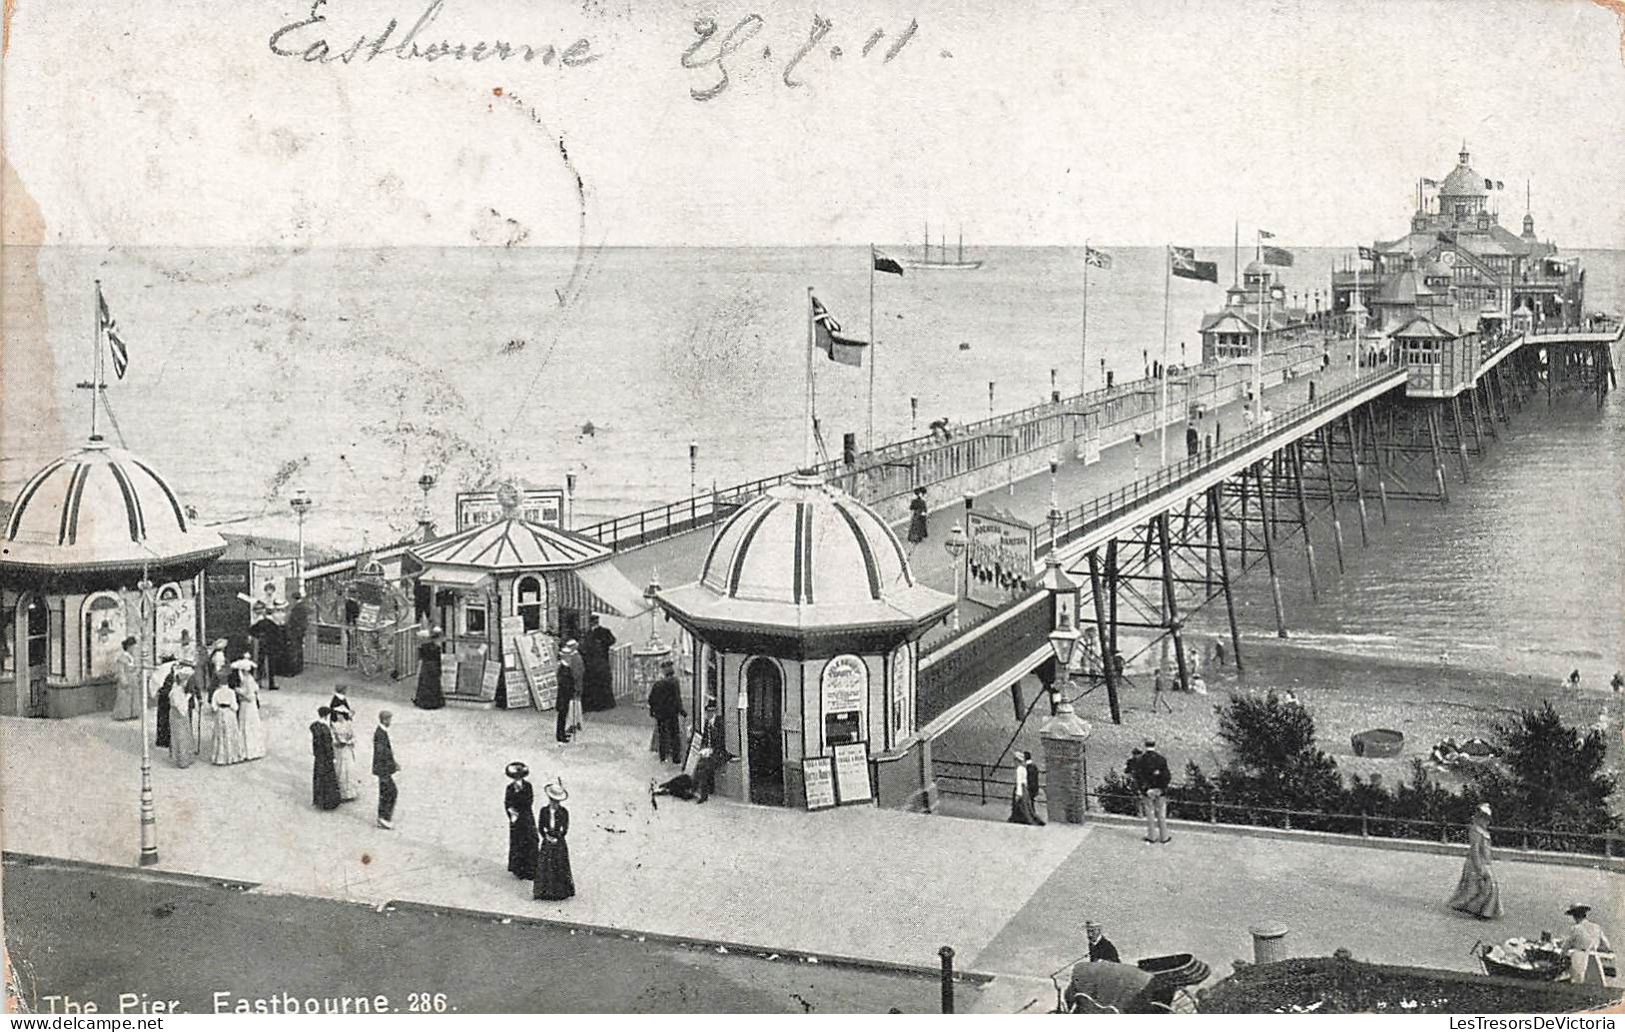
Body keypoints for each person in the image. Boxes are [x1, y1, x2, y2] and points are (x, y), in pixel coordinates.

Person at [1447, 803, 1502, 919]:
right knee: (1479, 887)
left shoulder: (1483, 831)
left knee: (1485, 887)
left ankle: (1483, 910)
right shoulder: (1475, 830)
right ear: (1479, 818)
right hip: (1475, 862)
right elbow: (1475, 849)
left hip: (1485, 862)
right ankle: (1482, 911)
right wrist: (1479, 867)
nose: (1487, 822)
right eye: (1484, 819)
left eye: (1488, 819)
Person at [533, 779, 575, 901]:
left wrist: (557, 838)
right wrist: (546, 836)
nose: (554, 803)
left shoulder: (564, 812)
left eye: (556, 801)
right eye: (552, 800)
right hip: (547, 841)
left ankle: (560, 892)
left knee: (559, 865)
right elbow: (540, 826)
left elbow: (565, 828)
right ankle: (544, 892)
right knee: (545, 866)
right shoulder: (544, 811)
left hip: (559, 842)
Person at [1558, 903, 1612, 983]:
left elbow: (1566, 945)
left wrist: (1561, 956)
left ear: (1575, 916)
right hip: (1594, 956)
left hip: (1580, 957)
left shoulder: (1576, 928)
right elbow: (1607, 945)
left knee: (1576, 980)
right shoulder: (1596, 927)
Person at [647, 660, 686, 764]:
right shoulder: (675, 682)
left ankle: (663, 757)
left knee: (662, 735)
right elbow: (677, 699)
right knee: (674, 735)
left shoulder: (657, 684)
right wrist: (681, 711)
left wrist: (653, 711)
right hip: (672, 714)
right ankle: (676, 758)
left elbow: (651, 699)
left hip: (661, 715)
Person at [505, 762, 538, 880]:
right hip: (516, 819)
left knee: (530, 840)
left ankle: (531, 869)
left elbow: (529, 801)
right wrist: (511, 812)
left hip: (526, 816)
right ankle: (519, 869)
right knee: (517, 842)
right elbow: (507, 802)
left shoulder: (527, 786)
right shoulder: (510, 788)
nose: (517, 779)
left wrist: (518, 797)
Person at [1137, 739, 1171, 844]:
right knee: (1161, 814)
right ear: (1155, 745)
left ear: (1145, 745)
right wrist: (1161, 788)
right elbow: (1166, 776)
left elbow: (1139, 776)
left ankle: (1152, 836)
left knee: (1150, 813)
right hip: (1160, 790)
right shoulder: (1161, 759)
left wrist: (1146, 789)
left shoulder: (1141, 760)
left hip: (1147, 791)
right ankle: (1164, 837)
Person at [581, 615, 617, 712]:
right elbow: (612, 640)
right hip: (599, 662)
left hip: (595, 662)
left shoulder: (591, 633)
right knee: (601, 683)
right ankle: (602, 704)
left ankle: (595, 705)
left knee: (595, 683)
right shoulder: (601, 632)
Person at [232, 664, 267, 762]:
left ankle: (248, 750)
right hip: (248, 706)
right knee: (247, 725)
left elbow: (250, 696)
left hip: (247, 706)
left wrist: (238, 691)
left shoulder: (249, 680)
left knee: (248, 725)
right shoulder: (248, 679)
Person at [310, 706, 341, 811]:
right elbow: (328, 746)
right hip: (326, 757)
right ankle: (328, 802)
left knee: (319, 777)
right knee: (328, 778)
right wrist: (332, 757)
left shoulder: (315, 726)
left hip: (318, 756)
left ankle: (318, 800)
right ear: (327, 716)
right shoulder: (325, 729)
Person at [167, 664, 197, 767]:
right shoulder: (175, 692)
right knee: (180, 737)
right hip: (178, 715)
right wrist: (187, 698)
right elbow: (179, 705)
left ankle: (188, 757)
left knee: (186, 735)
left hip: (181, 715)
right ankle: (182, 760)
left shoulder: (179, 690)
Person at [373, 710, 400, 829]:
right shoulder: (380, 734)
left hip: (383, 769)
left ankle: (383, 817)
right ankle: (384, 817)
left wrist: (394, 763)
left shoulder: (381, 732)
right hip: (383, 769)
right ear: (385, 720)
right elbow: (382, 754)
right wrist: (391, 766)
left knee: (387, 792)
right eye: (389, 719)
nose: (390, 722)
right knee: (391, 792)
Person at [694, 698, 723, 802]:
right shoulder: (707, 723)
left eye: (712, 711)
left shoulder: (719, 723)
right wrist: (703, 749)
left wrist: (711, 750)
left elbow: (720, 741)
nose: (709, 714)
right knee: (699, 764)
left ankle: (703, 795)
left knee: (704, 767)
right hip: (710, 752)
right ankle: (698, 790)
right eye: (708, 712)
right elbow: (705, 739)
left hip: (719, 753)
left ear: (715, 712)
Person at [210, 679, 244, 765]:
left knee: (220, 734)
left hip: (220, 713)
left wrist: (218, 709)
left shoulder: (216, 692)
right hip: (229, 713)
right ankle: (232, 756)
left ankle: (220, 757)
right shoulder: (231, 692)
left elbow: (213, 706)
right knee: (230, 733)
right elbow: (235, 706)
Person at [248, 602, 281, 691]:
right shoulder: (273, 623)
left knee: (260, 663)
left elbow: (251, 631)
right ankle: (271, 683)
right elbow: (278, 633)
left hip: (262, 643)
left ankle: (259, 682)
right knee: (271, 664)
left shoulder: (260, 622)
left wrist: (258, 636)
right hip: (271, 644)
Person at [1008, 750, 1045, 826]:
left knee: (1022, 805)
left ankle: (1019, 818)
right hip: (1025, 788)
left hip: (1021, 788)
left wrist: (1018, 793)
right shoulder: (1024, 768)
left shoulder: (1019, 769)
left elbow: (1019, 782)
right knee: (1026, 805)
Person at [331, 709, 360, 802]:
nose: (339, 716)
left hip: (347, 749)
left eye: (340, 715)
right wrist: (337, 742)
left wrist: (348, 742)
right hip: (339, 751)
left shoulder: (349, 725)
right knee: (340, 770)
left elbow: (354, 737)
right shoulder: (334, 725)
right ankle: (341, 794)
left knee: (349, 769)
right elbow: (332, 738)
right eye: (337, 714)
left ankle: (351, 793)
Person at [414, 628, 445, 709]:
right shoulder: (437, 647)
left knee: (424, 684)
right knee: (434, 685)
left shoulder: (423, 646)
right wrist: (440, 669)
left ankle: (423, 702)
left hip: (426, 666)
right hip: (434, 666)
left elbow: (420, 657)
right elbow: (438, 659)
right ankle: (434, 702)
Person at [112, 636, 141, 721]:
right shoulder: (122, 658)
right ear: (129, 647)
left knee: (134, 696)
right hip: (126, 678)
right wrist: (123, 680)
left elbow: (136, 667)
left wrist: (136, 673)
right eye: (133, 647)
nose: (134, 649)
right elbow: (121, 671)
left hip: (133, 679)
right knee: (124, 697)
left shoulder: (132, 658)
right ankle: (123, 715)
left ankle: (134, 713)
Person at [561, 639, 587, 733]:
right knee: (577, 704)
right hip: (578, 684)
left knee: (572, 705)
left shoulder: (574, 659)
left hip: (574, 684)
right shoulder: (578, 657)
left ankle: (573, 724)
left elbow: (576, 673)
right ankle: (579, 722)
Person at [152, 656, 177, 749]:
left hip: (163, 695)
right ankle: (168, 739)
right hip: (168, 695)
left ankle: (163, 739)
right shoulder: (169, 669)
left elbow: (155, 682)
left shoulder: (160, 670)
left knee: (163, 717)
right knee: (167, 717)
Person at [555, 646, 579, 744]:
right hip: (563, 696)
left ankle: (562, 733)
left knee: (563, 716)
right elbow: (565, 683)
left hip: (565, 695)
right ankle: (560, 735)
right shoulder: (563, 669)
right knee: (562, 716)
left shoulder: (566, 667)